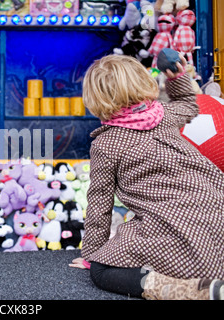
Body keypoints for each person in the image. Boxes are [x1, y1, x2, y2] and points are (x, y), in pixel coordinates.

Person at [69, 53, 224, 300]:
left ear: (96, 98)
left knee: (101, 269)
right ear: (143, 82)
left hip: (176, 229)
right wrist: (178, 78)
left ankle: (189, 290)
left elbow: (100, 205)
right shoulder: (166, 115)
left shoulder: (106, 144)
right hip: (218, 217)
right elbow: (188, 102)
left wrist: (92, 255)